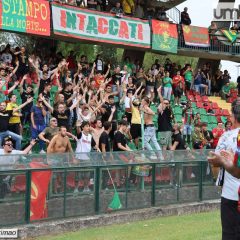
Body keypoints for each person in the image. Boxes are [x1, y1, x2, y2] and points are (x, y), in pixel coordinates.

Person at [208, 98, 240, 240]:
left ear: (232, 117)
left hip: (231, 196)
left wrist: (223, 161)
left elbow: (214, 163)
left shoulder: (227, 137)